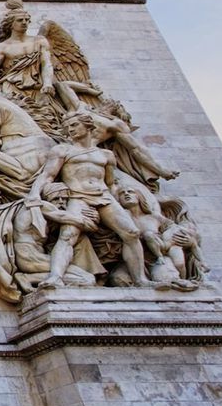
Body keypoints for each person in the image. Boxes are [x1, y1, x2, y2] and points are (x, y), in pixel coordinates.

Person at [29, 109, 147, 289]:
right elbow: (47, 176)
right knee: (68, 235)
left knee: (132, 233)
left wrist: (122, 205)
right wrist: (34, 195)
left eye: (75, 125)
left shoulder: (106, 155)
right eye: (67, 127)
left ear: (88, 125)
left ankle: (141, 280)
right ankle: (55, 277)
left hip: (104, 197)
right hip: (78, 197)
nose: (71, 130)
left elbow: (110, 182)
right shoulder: (62, 150)